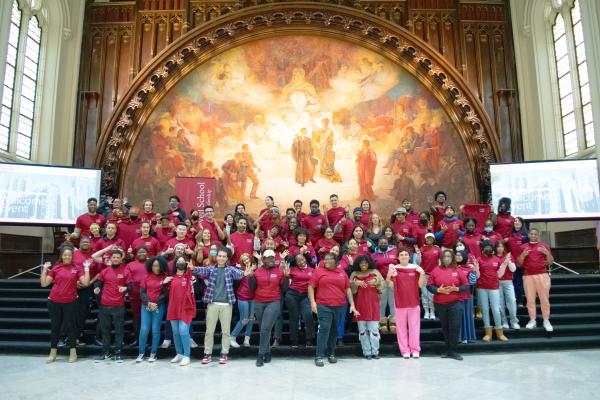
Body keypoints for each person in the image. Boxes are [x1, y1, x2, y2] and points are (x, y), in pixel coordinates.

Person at [192, 247, 249, 365]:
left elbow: (239, 274)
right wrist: (193, 268)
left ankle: (224, 353)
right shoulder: (211, 269)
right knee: (209, 331)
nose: (221, 258)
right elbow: (202, 270)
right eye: (220, 256)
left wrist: (245, 273)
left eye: (224, 256)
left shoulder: (231, 270)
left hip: (226, 305)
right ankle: (207, 354)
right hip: (212, 304)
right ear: (216, 257)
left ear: (227, 258)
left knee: (225, 331)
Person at [40, 246, 91, 363]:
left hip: (71, 302)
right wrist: (45, 269)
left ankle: (73, 352)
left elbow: (86, 282)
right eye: (65, 255)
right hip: (54, 302)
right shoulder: (56, 268)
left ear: (72, 256)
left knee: (71, 327)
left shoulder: (77, 268)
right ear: (61, 256)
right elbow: (44, 284)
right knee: (55, 327)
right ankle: (53, 353)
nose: (67, 257)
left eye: (69, 255)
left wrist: (87, 268)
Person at [308, 252, 359, 367]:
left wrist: (352, 304)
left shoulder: (342, 273)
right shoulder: (319, 272)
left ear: (336, 261)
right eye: (324, 259)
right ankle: (319, 356)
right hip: (323, 305)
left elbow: (347, 289)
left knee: (334, 330)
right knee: (324, 329)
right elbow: (311, 286)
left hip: (339, 306)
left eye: (328, 259)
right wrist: (312, 302)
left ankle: (331, 353)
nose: (325, 261)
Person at [247, 249, 288, 367]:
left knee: (264, 329)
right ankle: (268, 352)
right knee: (265, 329)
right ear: (263, 259)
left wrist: (286, 277)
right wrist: (250, 277)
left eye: (272, 257)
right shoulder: (257, 272)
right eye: (268, 257)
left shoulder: (279, 272)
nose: (271, 259)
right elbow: (252, 289)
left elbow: (284, 289)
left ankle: (260, 355)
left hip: (274, 302)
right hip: (259, 303)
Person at [427, 249, 469, 360]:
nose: (447, 258)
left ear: (452, 258)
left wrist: (457, 288)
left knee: (454, 326)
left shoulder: (458, 270)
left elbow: (466, 285)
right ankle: (448, 350)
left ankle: (454, 351)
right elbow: (429, 286)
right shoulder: (435, 270)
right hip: (440, 304)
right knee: (445, 327)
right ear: (441, 258)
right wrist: (438, 290)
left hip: (456, 303)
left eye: (449, 256)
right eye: (445, 256)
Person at [92, 246, 130, 363]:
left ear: (121, 259)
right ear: (111, 258)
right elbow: (98, 282)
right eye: (114, 257)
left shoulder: (125, 271)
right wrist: (97, 287)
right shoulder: (105, 271)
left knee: (119, 330)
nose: (116, 259)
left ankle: (118, 353)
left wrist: (125, 288)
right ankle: (105, 353)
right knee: (105, 330)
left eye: (118, 257)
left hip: (118, 305)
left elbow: (131, 285)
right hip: (104, 305)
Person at [387, 248, 426, 359]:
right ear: (398, 257)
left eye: (406, 254)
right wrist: (389, 275)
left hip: (414, 302)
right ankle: (404, 351)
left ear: (409, 257)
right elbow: (389, 284)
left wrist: (422, 273)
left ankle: (415, 350)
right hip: (400, 303)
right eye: (401, 254)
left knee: (414, 328)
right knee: (401, 328)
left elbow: (420, 285)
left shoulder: (415, 268)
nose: (404, 256)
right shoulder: (395, 269)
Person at [517, 228, 554, 332]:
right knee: (530, 300)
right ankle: (532, 320)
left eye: (535, 234)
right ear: (529, 235)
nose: (533, 235)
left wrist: (547, 253)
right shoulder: (523, 247)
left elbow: (551, 262)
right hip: (528, 276)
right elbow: (519, 264)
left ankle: (546, 320)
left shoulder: (544, 246)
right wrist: (523, 255)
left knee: (544, 299)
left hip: (542, 275)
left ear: (538, 235)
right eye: (531, 234)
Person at [472, 240, 509, 342]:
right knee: (485, 310)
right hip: (482, 288)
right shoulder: (479, 259)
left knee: (496, 310)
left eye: (489, 246)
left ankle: (500, 332)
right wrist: (476, 268)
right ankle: (488, 333)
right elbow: (477, 276)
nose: (488, 248)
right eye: (486, 246)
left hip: (494, 288)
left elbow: (499, 275)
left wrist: (505, 264)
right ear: (482, 248)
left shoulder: (497, 259)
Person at [350, 254, 384, 359]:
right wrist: (356, 283)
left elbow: (383, 284)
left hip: (373, 305)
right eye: (361, 263)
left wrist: (377, 281)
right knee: (363, 331)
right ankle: (367, 352)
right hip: (359, 306)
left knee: (374, 331)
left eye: (365, 263)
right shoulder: (354, 274)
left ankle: (375, 351)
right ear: (358, 264)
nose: (363, 265)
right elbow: (348, 288)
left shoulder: (375, 272)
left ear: (369, 263)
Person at [136, 256, 169, 362]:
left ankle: (153, 353)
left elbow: (165, 294)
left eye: (158, 266)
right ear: (151, 265)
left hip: (158, 306)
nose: (156, 268)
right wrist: (148, 302)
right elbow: (142, 292)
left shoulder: (165, 277)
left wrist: (156, 303)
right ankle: (141, 353)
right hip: (146, 306)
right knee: (144, 329)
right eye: (154, 265)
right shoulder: (146, 277)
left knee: (155, 330)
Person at [165, 256, 197, 366]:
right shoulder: (171, 278)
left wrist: (191, 269)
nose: (180, 263)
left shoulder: (189, 277)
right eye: (178, 262)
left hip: (186, 309)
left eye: (183, 262)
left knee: (183, 331)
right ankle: (179, 353)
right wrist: (164, 283)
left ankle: (187, 355)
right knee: (175, 332)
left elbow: (194, 284)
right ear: (175, 264)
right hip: (173, 308)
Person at [284, 253, 316, 348]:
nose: (301, 262)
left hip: (306, 295)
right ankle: (294, 340)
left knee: (308, 315)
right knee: (294, 317)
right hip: (292, 295)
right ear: (296, 263)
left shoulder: (312, 270)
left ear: (305, 259)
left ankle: (309, 339)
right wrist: (286, 276)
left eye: (302, 259)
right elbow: (286, 284)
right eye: (298, 261)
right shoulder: (292, 270)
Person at [372, 236, 398, 334]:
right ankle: (382, 322)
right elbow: (372, 269)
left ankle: (393, 323)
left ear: (388, 243)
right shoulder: (374, 255)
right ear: (378, 244)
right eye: (381, 242)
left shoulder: (395, 251)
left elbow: (399, 264)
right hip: (381, 282)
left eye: (385, 242)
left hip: (393, 281)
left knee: (393, 302)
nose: (383, 244)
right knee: (382, 303)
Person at [230, 253, 256, 348]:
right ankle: (232, 337)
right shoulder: (239, 270)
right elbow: (235, 281)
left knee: (251, 319)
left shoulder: (255, 269)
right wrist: (243, 272)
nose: (246, 261)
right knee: (244, 319)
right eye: (244, 260)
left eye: (247, 258)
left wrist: (252, 272)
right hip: (242, 296)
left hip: (253, 297)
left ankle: (247, 339)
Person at [126, 247, 149, 345]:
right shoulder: (130, 265)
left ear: (147, 253)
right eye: (139, 252)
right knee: (137, 317)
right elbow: (127, 278)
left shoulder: (151, 263)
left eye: (144, 252)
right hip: (135, 294)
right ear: (136, 254)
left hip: (149, 294)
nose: (142, 253)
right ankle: (137, 339)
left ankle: (148, 340)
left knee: (148, 317)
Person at [495, 241, 520, 330]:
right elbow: (497, 274)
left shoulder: (509, 256)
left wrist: (508, 261)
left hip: (508, 282)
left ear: (504, 248)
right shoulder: (493, 257)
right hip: (497, 283)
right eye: (498, 246)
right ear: (496, 248)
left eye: (502, 246)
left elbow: (513, 269)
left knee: (512, 301)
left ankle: (513, 321)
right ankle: (504, 321)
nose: (500, 248)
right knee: (500, 303)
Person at [456, 250, 477, 343]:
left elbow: (473, 282)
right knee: (456, 318)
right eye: (456, 255)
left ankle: (466, 337)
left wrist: (474, 271)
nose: (458, 256)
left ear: (464, 256)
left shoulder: (469, 268)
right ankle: (458, 337)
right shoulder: (452, 267)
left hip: (466, 297)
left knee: (466, 317)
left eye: (460, 255)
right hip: (454, 297)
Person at [508, 217, 529, 305]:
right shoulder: (510, 235)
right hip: (513, 264)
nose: (516, 222)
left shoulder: (526, 236)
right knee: (516, 283)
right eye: (515, 221)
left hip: (524, 263)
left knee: (525, 283)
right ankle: (519, 301)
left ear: (522, 223)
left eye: (518, 221)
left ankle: (526, 301)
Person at [420, 232, 441, 320]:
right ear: (425, 239)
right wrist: (417, 254)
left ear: (433, 239)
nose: (429, 240)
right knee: (424, 294)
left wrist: (439, 272)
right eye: (427, 238)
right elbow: (418, 262)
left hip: (434, 275)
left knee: (432, 294)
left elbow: (440, 262)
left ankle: (432, 312)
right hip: (424, 274)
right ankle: (426, 312)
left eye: (431, 238)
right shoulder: (422, 249)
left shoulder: (437, 249)